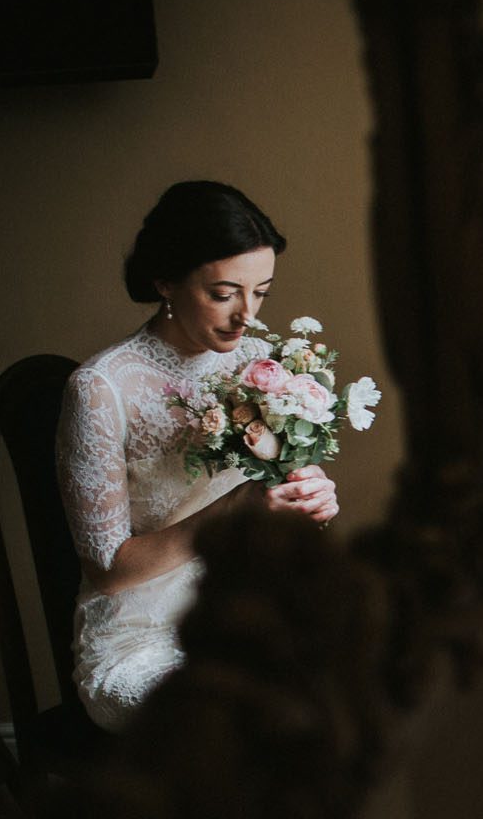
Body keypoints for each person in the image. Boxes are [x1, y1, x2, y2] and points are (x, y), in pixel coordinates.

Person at [58, 181, 340, 730]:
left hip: (251, 613)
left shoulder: (264, 364)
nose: (246, 316)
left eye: (262, 292)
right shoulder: (101, 388)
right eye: (224, 293)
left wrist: (310, 498)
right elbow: (109, 571)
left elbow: (277, 497)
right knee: (248, 717)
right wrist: (236, 510)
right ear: (166, 281)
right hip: (140, 638)